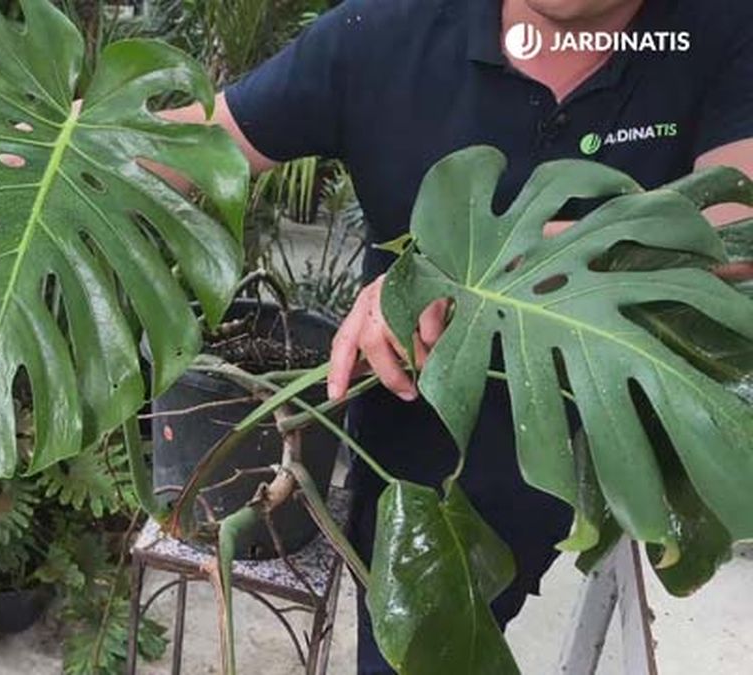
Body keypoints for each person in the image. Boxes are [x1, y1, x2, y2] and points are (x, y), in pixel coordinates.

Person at [164, 0, 753, 671]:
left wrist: (465, 272)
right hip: (415, 451)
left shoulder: (718, 29)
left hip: (590, 437)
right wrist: (66, 143)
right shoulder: (386, 30)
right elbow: (207, 139)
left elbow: (736, 229)